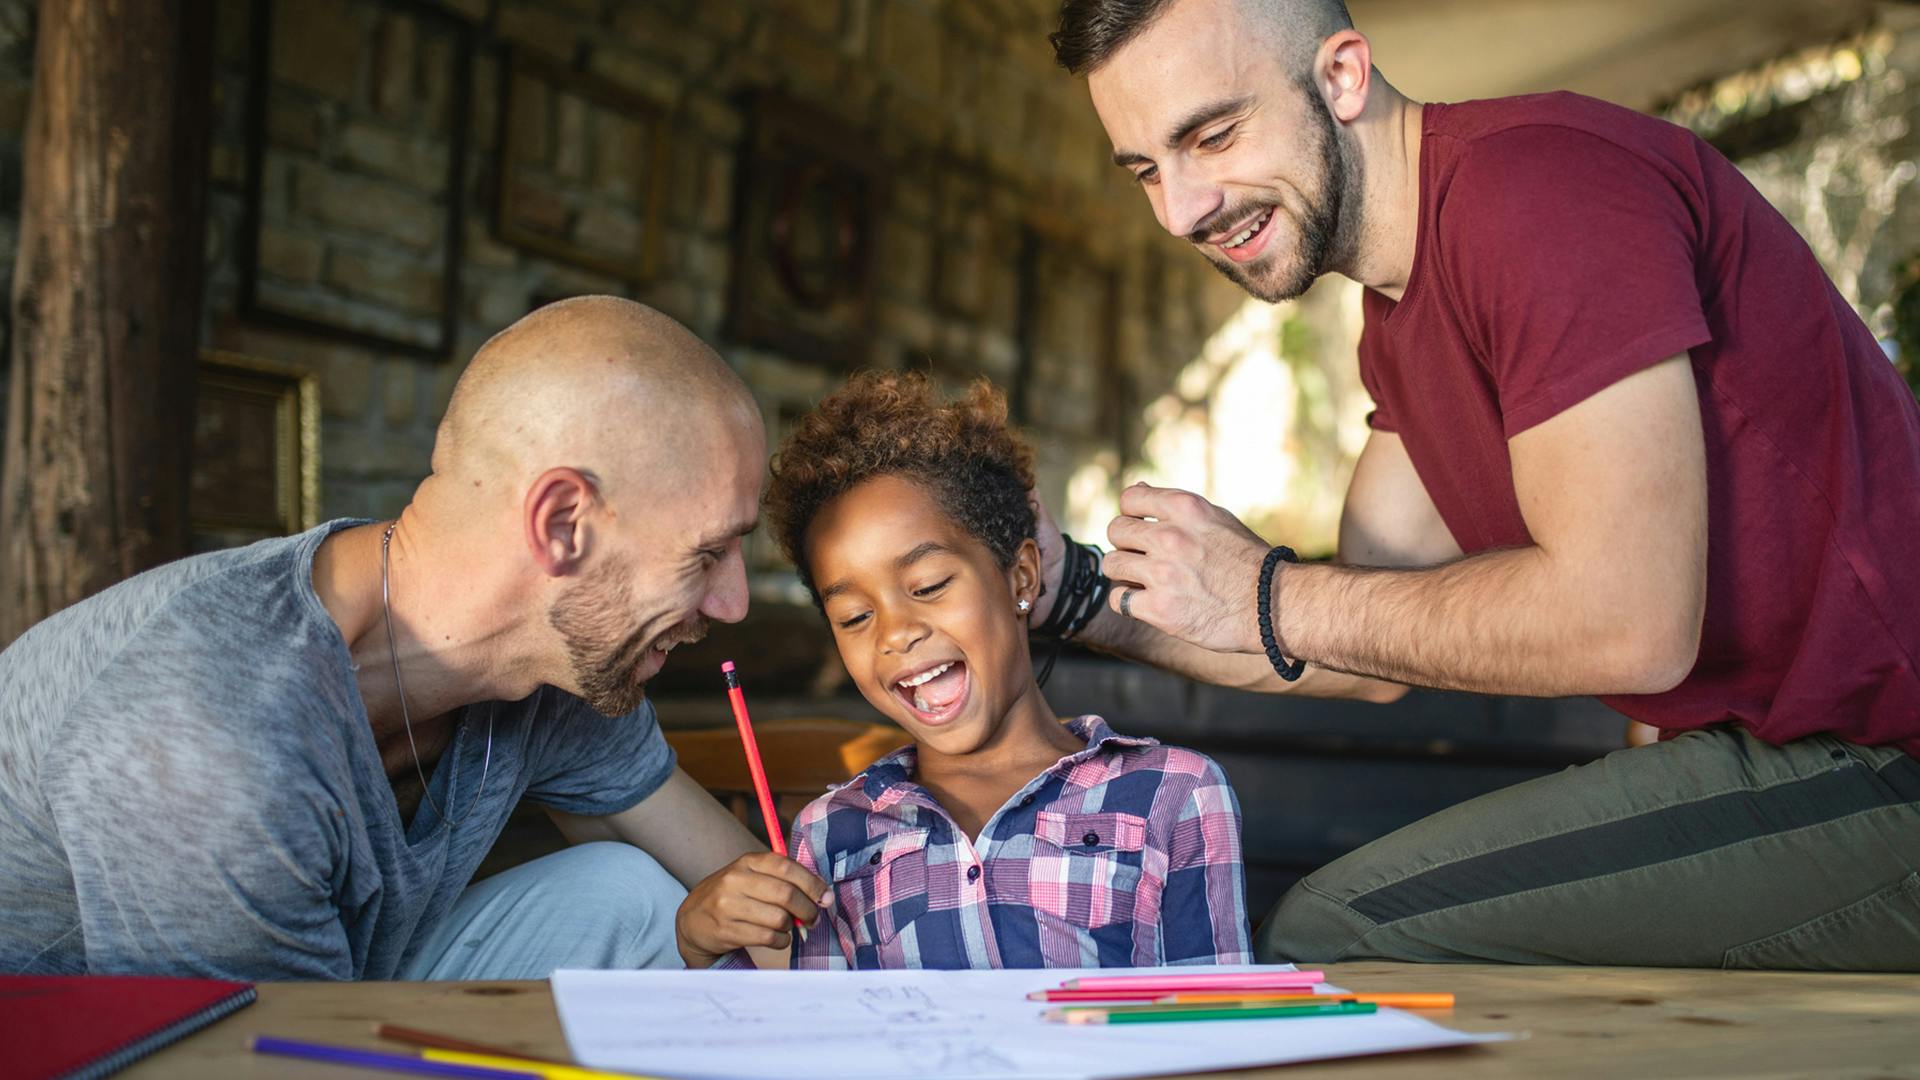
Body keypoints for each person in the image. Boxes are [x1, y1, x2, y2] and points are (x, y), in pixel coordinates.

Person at [1033, 0, 1920, 968]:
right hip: (1799, 760)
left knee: (1345, 934)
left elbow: (1632, 620)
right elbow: (1363, 639)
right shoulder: (1403, 313)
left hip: (1886, 760)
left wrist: (1267, 593)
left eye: (1213, 135)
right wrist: (1068, 593)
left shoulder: (1535, 194)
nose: (1181, 209)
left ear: (1342, 76)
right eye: (1148, 171)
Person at [0, 296, 782, 980]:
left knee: (638, 898)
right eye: (708, 552)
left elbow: (755, 895)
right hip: (107, 1047)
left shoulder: (560, 662)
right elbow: (254, 1058)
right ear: (562, 525)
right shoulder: (214, 735)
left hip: (320, 994)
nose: (736, 602)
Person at [673, 372, 1250, 969]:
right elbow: (809, 1039)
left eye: (929, 585)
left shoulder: (1175, 792)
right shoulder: (829, 834)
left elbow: (1219, 1027)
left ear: (1021, 577)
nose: (895, 632)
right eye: (854, 616)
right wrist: (699, 945)